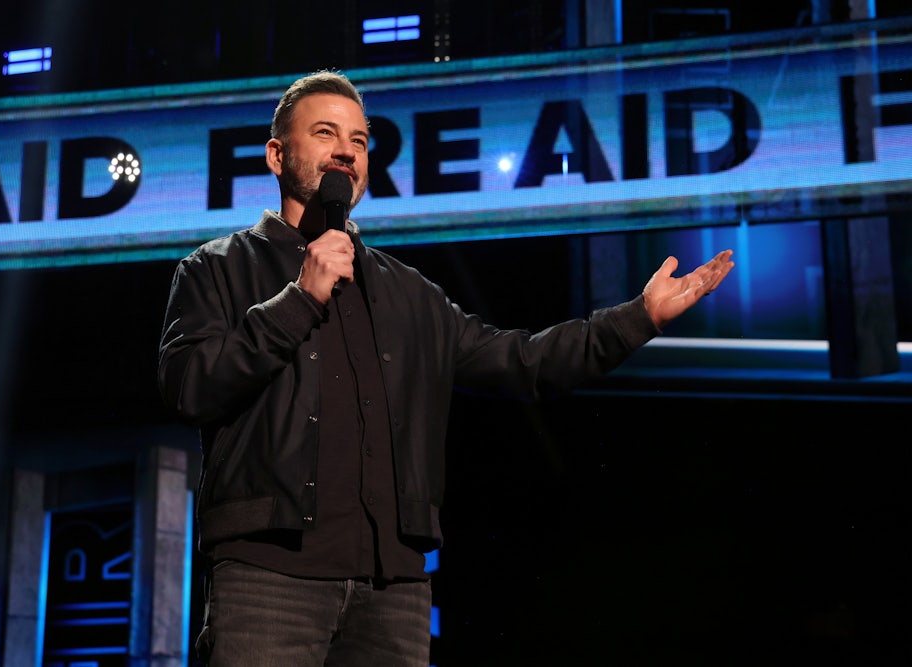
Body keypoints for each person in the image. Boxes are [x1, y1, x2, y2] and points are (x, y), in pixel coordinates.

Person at [157, 69, 734, 667]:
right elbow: (189, 388)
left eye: (359, 141)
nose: (345, 152)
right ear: (278, 155)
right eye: (325, 133)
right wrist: (298, 298)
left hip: (394, 591)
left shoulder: (409, 292)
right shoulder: (215, 269)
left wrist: (638, 318)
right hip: (268, 578)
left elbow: (524, 361)